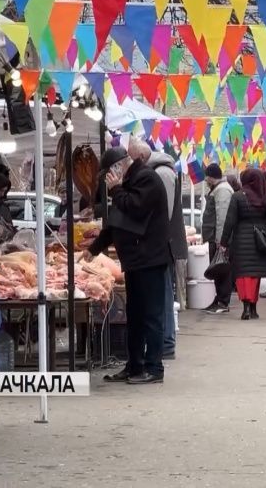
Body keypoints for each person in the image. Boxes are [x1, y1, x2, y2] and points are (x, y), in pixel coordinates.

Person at [85, 147, 171, 385]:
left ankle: (154, 368)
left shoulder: (147, 179)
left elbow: (134, 208)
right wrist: (94, 249)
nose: (108, 179)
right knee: (135, 316)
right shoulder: (128, 183)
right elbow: (116, 223)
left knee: (151, 316)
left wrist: (116, 190)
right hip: (134, 261)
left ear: (119, 166)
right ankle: (134, 365)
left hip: (150, 260)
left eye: (109, 173)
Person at [129, 139, 186, 360]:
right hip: (161, 242)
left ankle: (167, 343)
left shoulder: (162, 173)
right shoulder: (157, 171)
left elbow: (164, 212)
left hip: (164, 243)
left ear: (142, 157)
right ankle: (164, 343)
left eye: (132, 160)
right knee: (161, 294)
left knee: (163, 295)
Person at [220, 169, 266, 320]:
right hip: (259, 240)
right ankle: (253, 309)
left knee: (243, 275)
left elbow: (230, 221)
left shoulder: (238, 196)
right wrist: (265, 226)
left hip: (241, 240)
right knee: (255, 275)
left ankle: (246, 308)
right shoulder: (265, 197)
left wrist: (224, 242)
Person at [201, 164, 234, 314]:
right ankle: (219, 299)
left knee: (222, 270)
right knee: (217, 269)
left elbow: (222, 217)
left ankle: (223, 302)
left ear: (210, 177)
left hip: (218, 239)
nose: (205, 180)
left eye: (206, 177)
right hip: (215, 238)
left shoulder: (222, 190)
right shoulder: (218, 189)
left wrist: (221, 241)